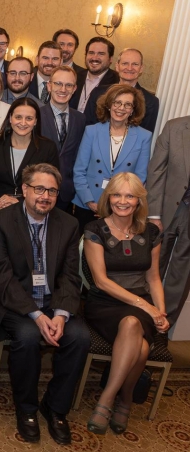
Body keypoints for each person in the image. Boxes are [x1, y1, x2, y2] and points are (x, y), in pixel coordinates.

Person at [0, 163, 89, 445]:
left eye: (52, 191)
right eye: (39, 189)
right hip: (13, 303)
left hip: (53, 302)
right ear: (25, 190)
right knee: (28, 336)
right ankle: (27, 408)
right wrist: (37, 317)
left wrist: (62, 316)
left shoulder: (68, 224)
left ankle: (55, 408)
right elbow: (2, 278)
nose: (45, 196)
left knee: (79, 337)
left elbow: (69, 275)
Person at [82, 174, 168, 435]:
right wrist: (147, 307)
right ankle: (120, 399)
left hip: (141, 306)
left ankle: (111, 398)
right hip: (105, 303)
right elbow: (101, 280)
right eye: (117, 195)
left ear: (139, 200)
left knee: (138, 341)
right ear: (108, 197)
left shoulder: (152, 232)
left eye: (130, 196)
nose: (123, 201)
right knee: (136, 338)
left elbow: (153, 277)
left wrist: (161, 311)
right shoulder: (94, 230)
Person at [72, 84, 152, 230]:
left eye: (127, 104)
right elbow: (79, 171)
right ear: (109, 105)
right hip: (87, 204)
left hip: (120, 207)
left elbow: (140, 177)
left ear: (133, 110)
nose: (121, 108)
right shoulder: (92, 131)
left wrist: (118, 205)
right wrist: (90, 202)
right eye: (117, 102)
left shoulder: (143, 136)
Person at [0, 98, 60, 217]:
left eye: (29, 118)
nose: (23, 123)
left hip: (32, 211)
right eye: (18, 117)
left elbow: (51, 187)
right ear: (10, 118)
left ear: (36, 121)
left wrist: (21, 203)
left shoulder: (48, 148)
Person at [39, 66, 86, 210]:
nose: (63, 89)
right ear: (49, 86)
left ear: (74, 88)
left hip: (66, 193)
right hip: (39, 191)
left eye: (68, 85)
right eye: (58, 83)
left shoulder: (81, 119)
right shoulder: (36, 116)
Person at [84, 48, 160, 133]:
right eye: (125, 63)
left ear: (141, 68)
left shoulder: (151, 102)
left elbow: (145, 135)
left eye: (135, 64)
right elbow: (87, 125)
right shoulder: (98, 93)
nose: (129, 68)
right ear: (117, 66)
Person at [148, 114, 190, 229]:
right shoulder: (173, 127)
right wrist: (154, 214)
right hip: (169, 208)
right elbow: (156, 170)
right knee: (159, 246)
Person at [72, 36, 117, 112]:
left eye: (101, 54)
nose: (95, 58)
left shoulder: (117, 82)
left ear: (110, 59)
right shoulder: (75, 77)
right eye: (91, 53)